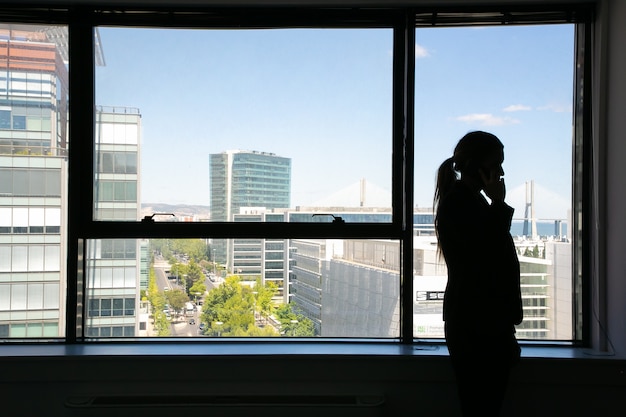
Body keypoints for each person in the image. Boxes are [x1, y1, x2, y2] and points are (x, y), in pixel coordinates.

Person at [434, 131, 523, 417]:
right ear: (476, 166)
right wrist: (499, 204)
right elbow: (485, 255)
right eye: (496, 163)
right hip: (478, 325)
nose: (501, 172)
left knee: (480, 406)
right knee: (482, 407)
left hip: (479, 322)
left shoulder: (466, 200)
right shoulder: (461, 203)